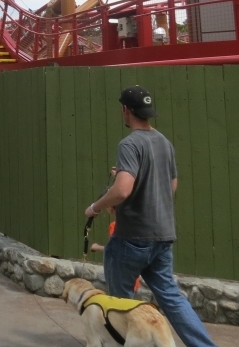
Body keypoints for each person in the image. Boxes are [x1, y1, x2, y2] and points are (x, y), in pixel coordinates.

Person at [84, 86, 218, 347]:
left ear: (125, 110)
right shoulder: (164, 143)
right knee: (171, 297)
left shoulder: (130, 144)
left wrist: (96, 207)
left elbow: (123, 189)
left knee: (121, 305)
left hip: (131, 237)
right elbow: (172, 185)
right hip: (163, 235)